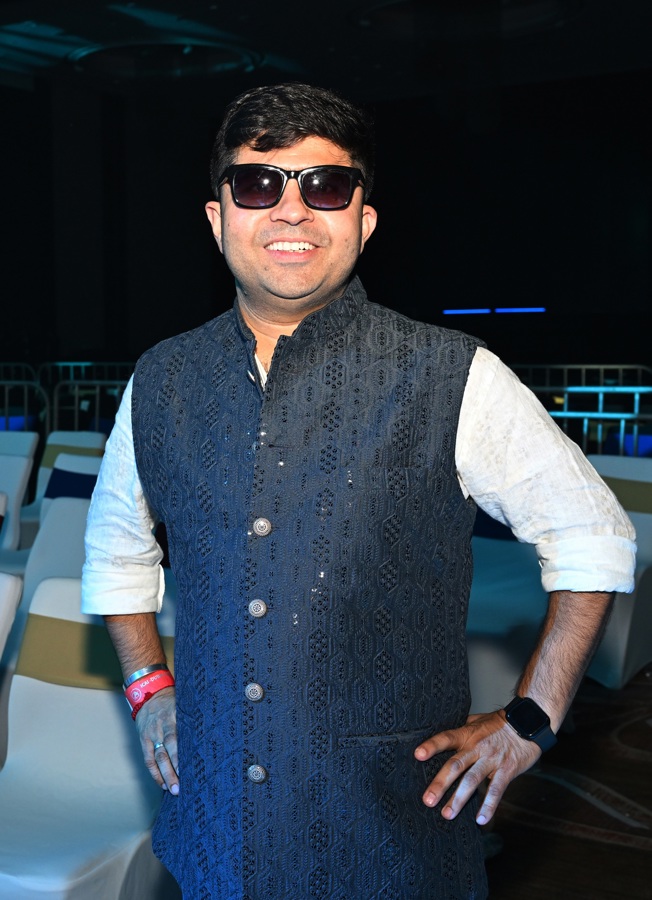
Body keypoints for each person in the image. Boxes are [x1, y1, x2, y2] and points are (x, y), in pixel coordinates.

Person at [82, 81, 636, 899]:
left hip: (387, 842)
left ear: (363, 221)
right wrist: (148, 687)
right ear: (217, 218)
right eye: (258, 183)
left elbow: (595, 536)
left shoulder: (452, 374)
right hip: (214, 834)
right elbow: (116, 554)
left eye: (326, 186)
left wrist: (531, 718)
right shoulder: (160, 380)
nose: (292, 209)